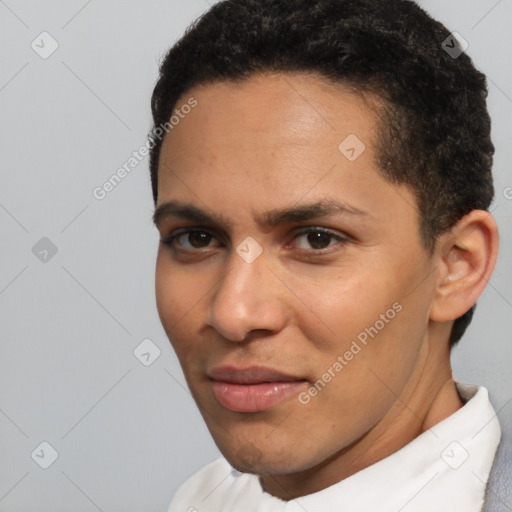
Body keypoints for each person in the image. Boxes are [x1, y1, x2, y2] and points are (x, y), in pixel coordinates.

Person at [148, 0, 508, 510]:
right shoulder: (203, 498)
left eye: (317, 239)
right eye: (197, 238)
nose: (233, 313)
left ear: (456, 265)